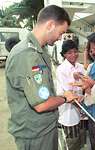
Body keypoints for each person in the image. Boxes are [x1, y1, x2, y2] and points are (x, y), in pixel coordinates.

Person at [5, 5, 78, 150]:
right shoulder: (28, 55)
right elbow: (42, 104)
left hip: (43, 128)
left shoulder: (39, 50)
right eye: (60, 32)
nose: (59, 38)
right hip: (35, 133)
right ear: (50, 25)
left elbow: (41, 90)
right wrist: (65, 97)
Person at [56, 40, 85, 150]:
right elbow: (67, 94)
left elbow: (85, 86)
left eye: (75, 51)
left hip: (81, 109)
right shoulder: (61, 69)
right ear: (64, 54)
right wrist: (75, 78)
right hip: (69, 111)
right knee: (70, 141)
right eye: (69, 53)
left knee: (80, 139)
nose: (73, 55)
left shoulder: (80, 67)